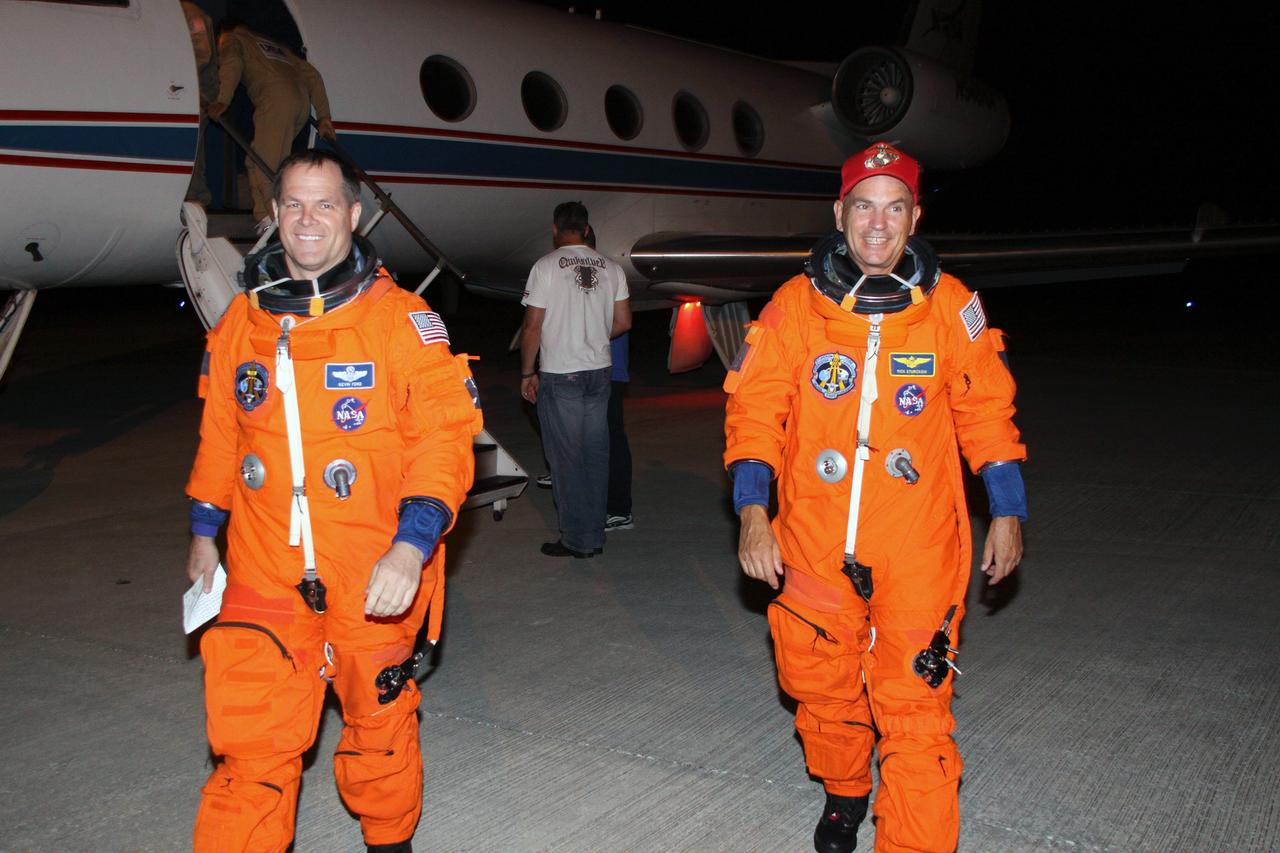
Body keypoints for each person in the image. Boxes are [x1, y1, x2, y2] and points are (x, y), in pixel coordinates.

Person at [723, 142, 1026, 853]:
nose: (879, 223)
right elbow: (754, 412)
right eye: (865, 206)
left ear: (915, 216)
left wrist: (1007, 508)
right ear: (840, 213)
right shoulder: (795, 307)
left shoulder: (953, 308)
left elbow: (988, 411)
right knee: (821, 684)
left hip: (918, 542)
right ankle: (846, 790)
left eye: (895, 207)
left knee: (916, 710)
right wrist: (752, 510)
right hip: (813, 538)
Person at [184, 148, 482, 853]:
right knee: (250, 745)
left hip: (372, 568)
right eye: (292, 204)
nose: (306, 219)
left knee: (378, 730)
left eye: (323, 204)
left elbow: (445, 442)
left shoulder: (400, 323)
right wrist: (203, 528)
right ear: (275, 215)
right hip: (262, 570)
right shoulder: (241, 324)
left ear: (353, 214)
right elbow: (220, 433)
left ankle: (389, 842)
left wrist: (412, 545)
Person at [520, 201, 630, 557]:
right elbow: (625, 322)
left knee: (566, 460)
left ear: (555, 230)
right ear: (586, 229)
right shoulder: (611, 268)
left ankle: (576, 539)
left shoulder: (546, 267)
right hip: (599, 372)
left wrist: (526, 371)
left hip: (561, 373)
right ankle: (594, 534)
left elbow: (532, 326)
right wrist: (595, 336)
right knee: (595, 454)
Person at [207, 20, 336, 231]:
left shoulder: (233, 39)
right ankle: (264, 216)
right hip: (300, 105)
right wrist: (323, 116)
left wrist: (222, 100)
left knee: (263, 163)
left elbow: (232, 63)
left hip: (275, 101)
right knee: (259, 160)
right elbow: (312, 75)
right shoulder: (274, 46)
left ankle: (277, 218)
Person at [180, 1, 218, 206]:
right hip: (190, 91)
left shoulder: (190, 14)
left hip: (199, 92)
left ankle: (196, 196)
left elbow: (203, 53)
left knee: (192, 147)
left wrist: (182, 74)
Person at [604, 331, 634, 530]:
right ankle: (615, 507)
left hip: (606, 367)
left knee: (612, 437)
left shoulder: (613, 297)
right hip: (597, 366)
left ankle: (619, 509)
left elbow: (623, 321)